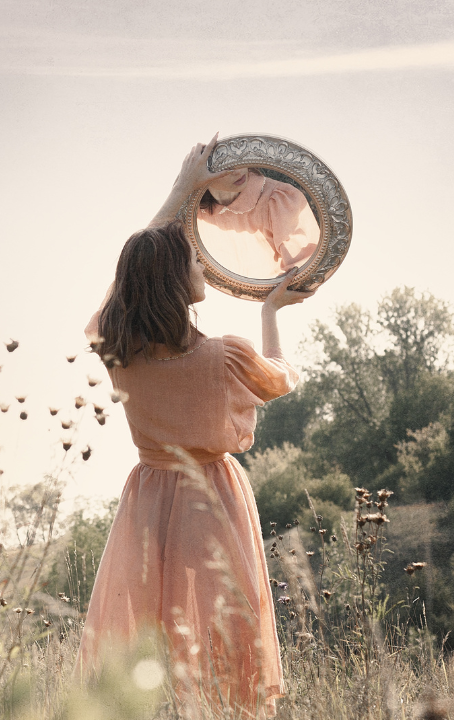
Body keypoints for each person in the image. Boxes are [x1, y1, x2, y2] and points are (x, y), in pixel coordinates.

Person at [78, 136, 314, 718]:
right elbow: (281, 379)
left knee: (148, 622)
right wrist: (270, 313)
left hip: (149, 499)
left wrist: (180, 194)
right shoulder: (224, 356)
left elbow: (125, 283)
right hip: (214, 499)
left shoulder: (121, 350)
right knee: (219, 626)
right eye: (188, 257)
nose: (200, 259)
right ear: (170, 280)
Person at [196, 165, 319, 279]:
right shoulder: (193, 213)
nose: (238, 170)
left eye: (240, 156)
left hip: (275, 299)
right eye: (224, 166)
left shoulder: (281, 198)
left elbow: (305, 272)